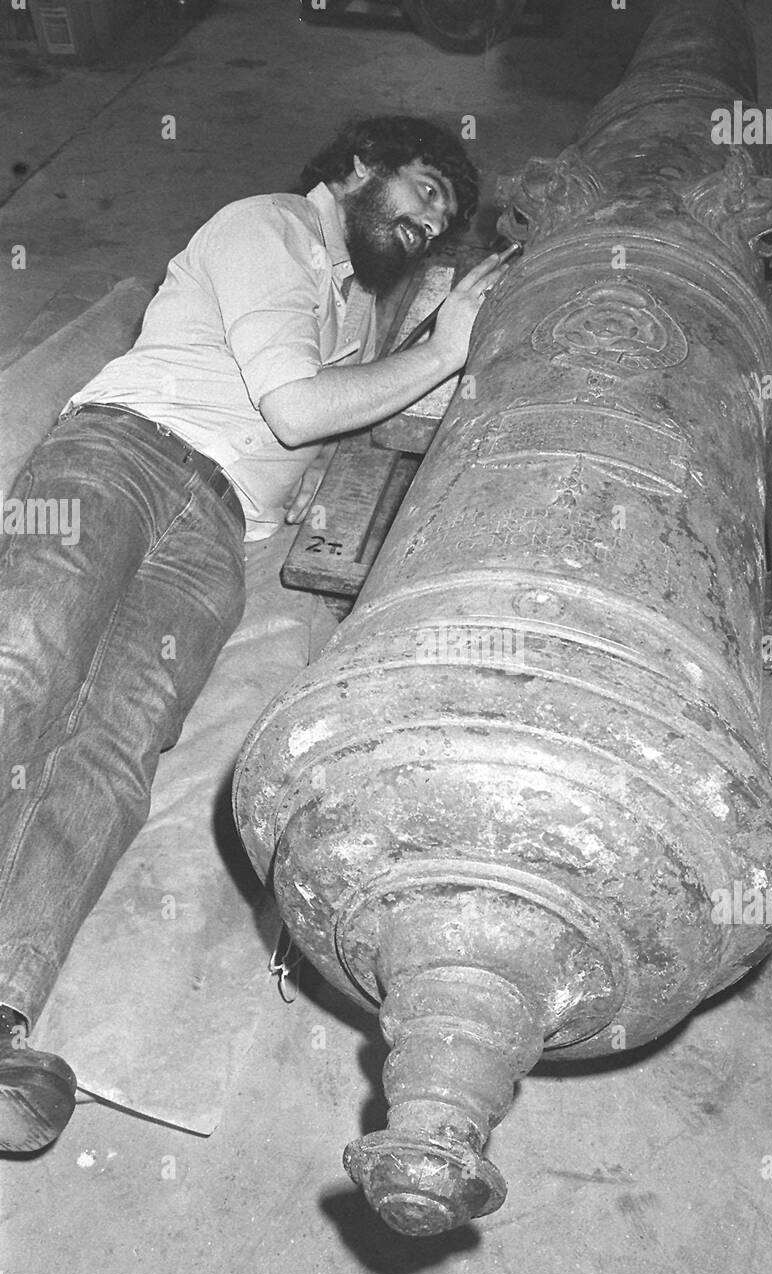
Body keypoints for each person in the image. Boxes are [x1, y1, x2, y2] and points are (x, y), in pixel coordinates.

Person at [0, 115, 506, 1154]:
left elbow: (373, 400)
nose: (423, 222)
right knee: (23, 675)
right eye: (418, 192)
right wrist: (443, 344)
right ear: (357, 167)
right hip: (126, 457)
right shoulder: (268, 229)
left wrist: (457, 335)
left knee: (110, 754)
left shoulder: (359, 310)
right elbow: (292, 407)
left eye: (440, 219)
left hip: (218, 528)